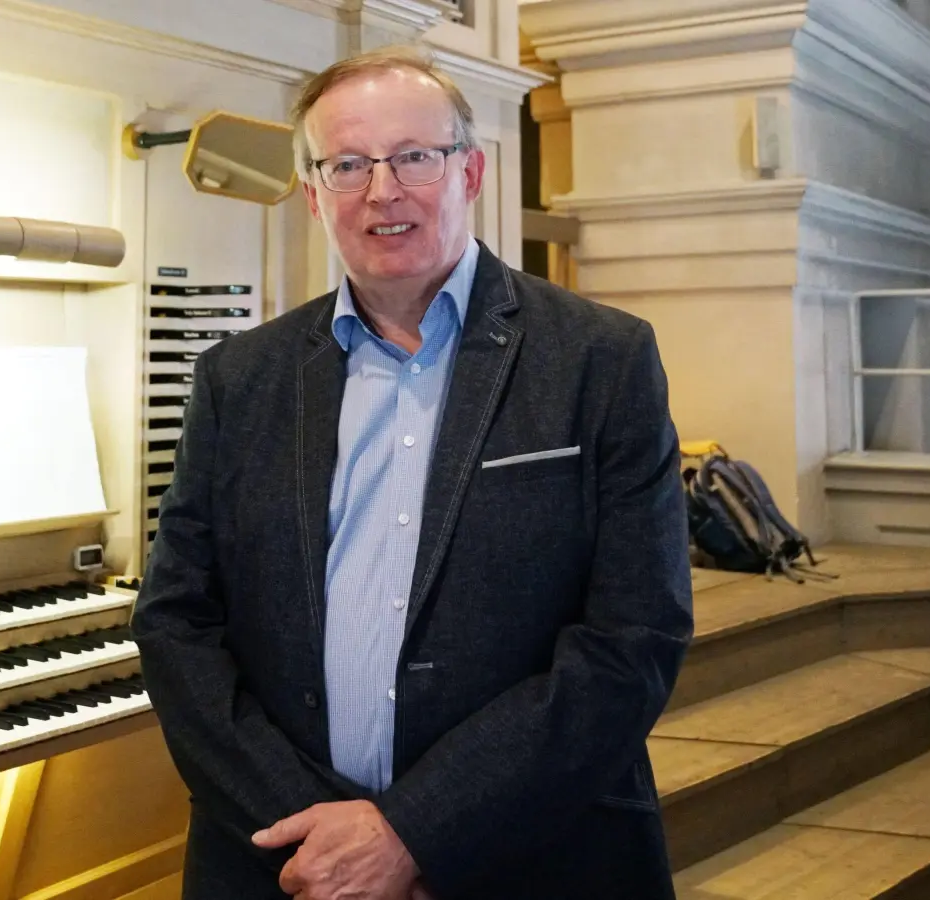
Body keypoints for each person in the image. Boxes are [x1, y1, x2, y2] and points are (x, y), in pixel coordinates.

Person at [129, 46, 694, 900]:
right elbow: (177, 623)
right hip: (285, 865)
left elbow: (633, 639)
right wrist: (320, 840)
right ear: (315, 194)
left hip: (528, 856)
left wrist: (414, 834)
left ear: (468, 171)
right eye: (348, 164)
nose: (382, 191)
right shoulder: (239, 378)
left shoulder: (601, 359)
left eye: (414, 157)